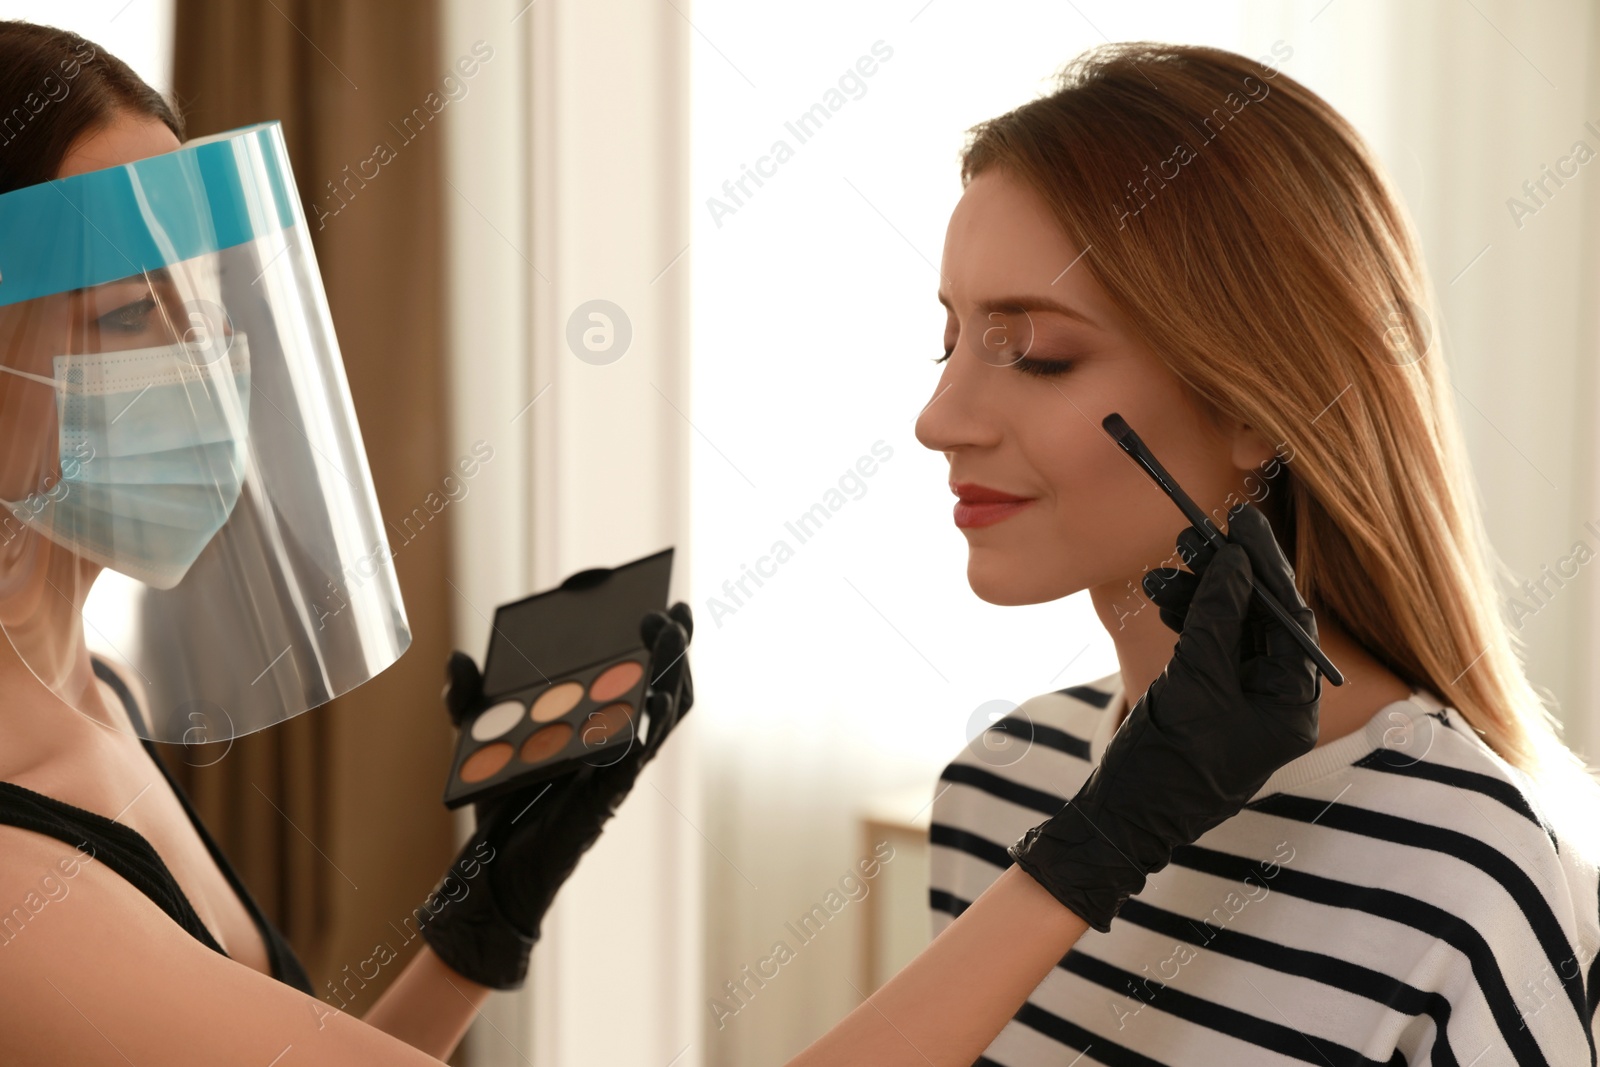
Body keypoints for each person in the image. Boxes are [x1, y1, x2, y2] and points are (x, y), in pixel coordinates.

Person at [916, 41, 1600, 1065]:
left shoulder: (1463, 870)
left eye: (1035, 353)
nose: (938, 419)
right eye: (952, 340)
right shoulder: (994, 788)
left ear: (1253, 402)